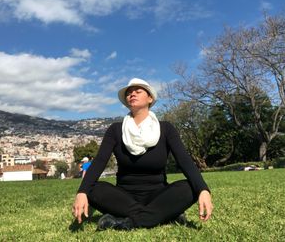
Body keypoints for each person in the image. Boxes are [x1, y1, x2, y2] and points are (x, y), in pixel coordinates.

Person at [72, 78, 213, 231]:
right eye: (129, 93)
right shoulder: (115, 130)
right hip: (124, 197)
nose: (132, 94)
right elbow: (99, 162)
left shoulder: (166, 129)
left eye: (138, 91)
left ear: (150, 98)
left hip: (159, 195)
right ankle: (164, 215)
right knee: (92, 188)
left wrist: (203, 189)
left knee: (190, 187)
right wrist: (82, 192)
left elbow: (184, 160)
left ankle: (126, 221)